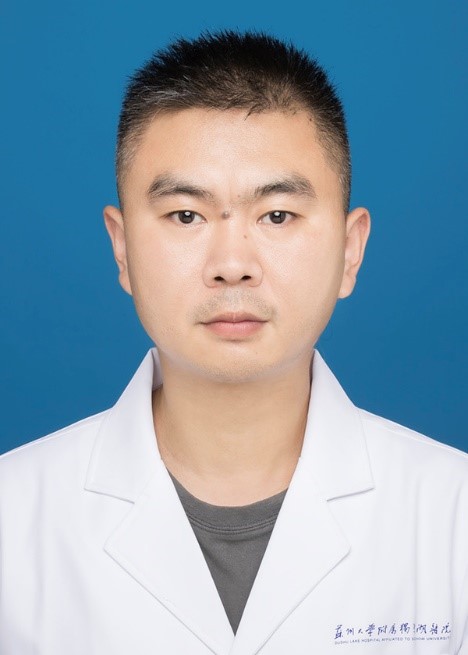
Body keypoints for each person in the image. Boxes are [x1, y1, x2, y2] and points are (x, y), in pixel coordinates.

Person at [0, 30, 467, 655]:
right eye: (186, 215)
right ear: (122, 247)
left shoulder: (453, 518)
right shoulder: (12, 518)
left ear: (350, 250)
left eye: (277, 215)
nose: (232, 265)